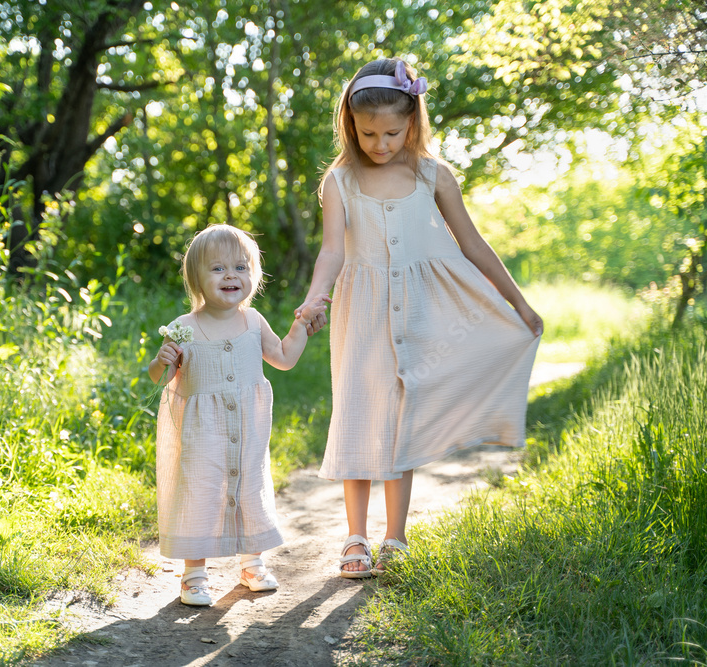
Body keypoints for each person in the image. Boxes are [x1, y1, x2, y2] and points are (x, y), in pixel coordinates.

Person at [294, 57, 543, 578]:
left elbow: (473, 244)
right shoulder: (340, 180)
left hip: (423, 312)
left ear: (412, 122)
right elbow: (332, 252)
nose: (380, 144)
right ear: (349, 125)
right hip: (361, 314)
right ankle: (355, 536)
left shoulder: (433, 173)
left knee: (403, 417)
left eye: (391, 132)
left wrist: (519, 303)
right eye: (367, 134)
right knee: (360, 411)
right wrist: (316, 297)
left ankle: (395, 536)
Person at [149, 224, 325, 605]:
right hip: (201, 434)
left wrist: (301, 326)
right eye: (217, 268)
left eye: (241, 267)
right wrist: (160, 361)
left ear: (253, 276)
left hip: (246, 430)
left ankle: (252, 563)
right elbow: (161, 377)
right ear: (196, 278)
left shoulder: (253, 320)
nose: (231, 275)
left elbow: (283, 358)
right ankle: (194, 574)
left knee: (248, 488)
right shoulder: (184, 328)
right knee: (200, 491)